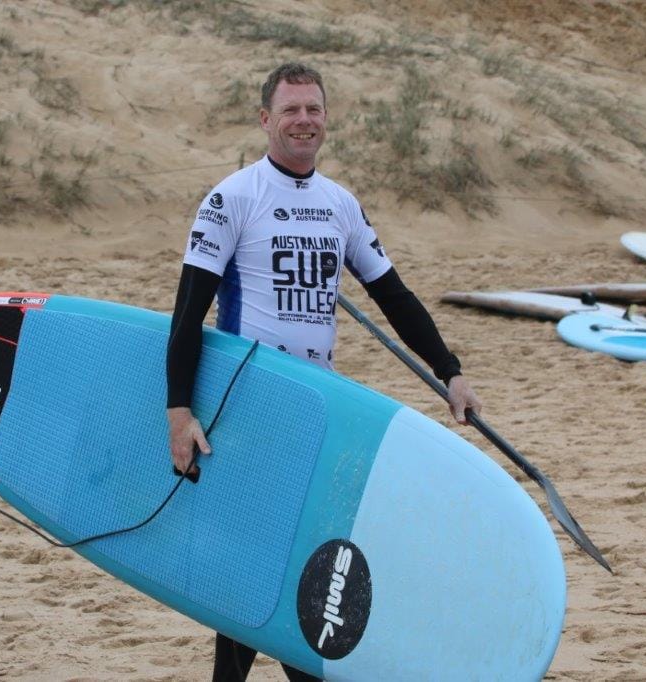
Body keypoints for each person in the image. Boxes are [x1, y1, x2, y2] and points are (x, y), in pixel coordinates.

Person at [164, 63, 482, 682]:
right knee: (260, 564)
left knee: (296, 560)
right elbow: (186, 313)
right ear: (266, 119)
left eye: (313, 109)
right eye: (291, 110)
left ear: (325, 118)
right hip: (249, 407)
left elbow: (395, 297)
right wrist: (178, 411)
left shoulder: (340, 206)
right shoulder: (233, 198)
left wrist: (449, 372)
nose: (304, 121)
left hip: (316, 409)